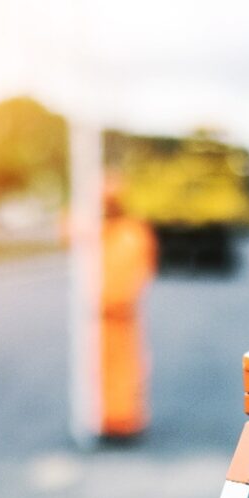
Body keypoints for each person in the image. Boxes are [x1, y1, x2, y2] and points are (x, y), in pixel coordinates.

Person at [99, 177, 158, 437]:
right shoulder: (97, 232)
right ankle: (106, 417)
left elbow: (142, 270)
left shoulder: (132, 232)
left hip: (122, 313)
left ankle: (126, 418)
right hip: (98, 316)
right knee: (101, 368)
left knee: (127, 367)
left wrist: (123, 299)